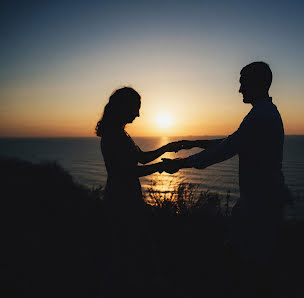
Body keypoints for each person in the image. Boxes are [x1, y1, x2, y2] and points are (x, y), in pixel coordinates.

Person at [162, 62, 290, 267]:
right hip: (260, 199)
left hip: (261, 204)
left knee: (252, 264)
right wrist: (195, 144)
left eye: (243, 83)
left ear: (257, 83)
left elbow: (226, 149)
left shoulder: (260, 116)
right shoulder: (264, 112)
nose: (239, 89)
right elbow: (233, 141)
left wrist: (181, 163)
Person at [95, 86, 192, 296]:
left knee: (129, 252)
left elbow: (142, 158)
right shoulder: (114, 136)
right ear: (123, 107)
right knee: (131, 252)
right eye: (136, 108)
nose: (138, 114)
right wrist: (162, 167)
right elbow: (129, 171)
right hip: (121, 202)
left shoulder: (121, 133)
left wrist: (167, 147)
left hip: (127, 199)